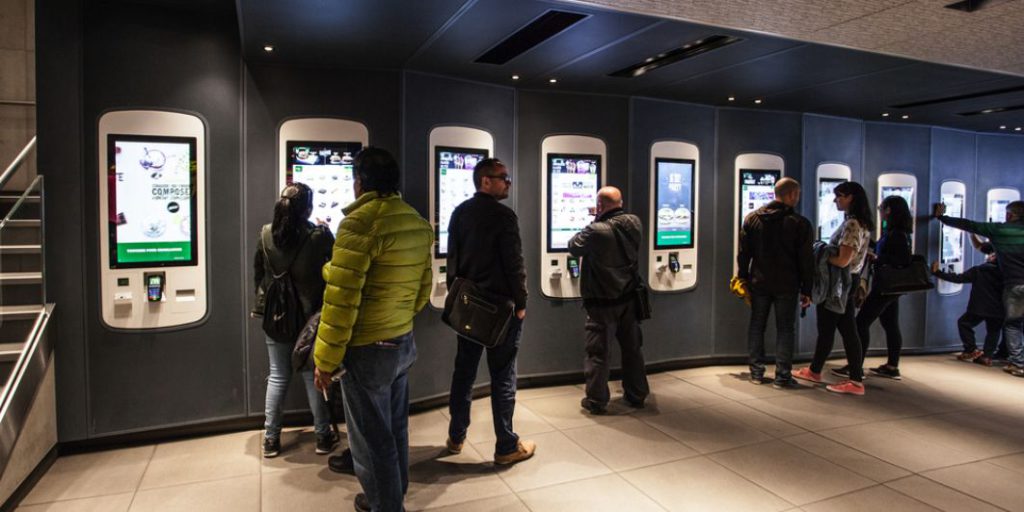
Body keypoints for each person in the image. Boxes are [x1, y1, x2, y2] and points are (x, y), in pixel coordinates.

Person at [313, 148, 433, 512]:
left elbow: (341, 302)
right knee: (395, 428)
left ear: (360, 183)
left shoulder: (359, 223)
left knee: (370, 439)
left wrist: (325, 361)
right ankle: (391, 494)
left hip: (367, 349)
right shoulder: (415, 221)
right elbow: (422, 292)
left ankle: (386, 504)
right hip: (402, 342)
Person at [445, 158, 535, 465]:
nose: (508, 182)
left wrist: (457, 298)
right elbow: (514, 264)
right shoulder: (504, 216)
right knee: (503, 375)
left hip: (468, 307)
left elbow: (453, 261)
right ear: (485, 181)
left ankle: (456, 436)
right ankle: (506, 446)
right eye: (503, 178)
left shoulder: (460, 212)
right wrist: (521, 303)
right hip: (501, 310)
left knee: (463, 372)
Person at [254, 183, 337, 458]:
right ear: (308, 209)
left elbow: (259, 275)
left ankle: (270, 439)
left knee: (278, 375)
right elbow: (335, 266)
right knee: (312, 375)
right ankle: (323, 437)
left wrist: (263, 307)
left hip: (277, 317)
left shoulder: (266, 234)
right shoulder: (318, 235)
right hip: (309, 319)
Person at [569, 186, 650, 413]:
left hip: (602, 302)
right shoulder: (634, 222)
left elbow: (574, 246)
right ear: (620, 203)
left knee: (598, 353)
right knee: (633, 350)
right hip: (629, 300)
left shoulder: (596, 230)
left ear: (600, 205)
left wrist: (596, 218)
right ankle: (637, 394)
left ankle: (596, 400)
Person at [793, 181, 874, 395]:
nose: (836, 200)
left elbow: (842, 260)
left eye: (840, 196)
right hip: (848, 282)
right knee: (838, 329)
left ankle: (853, 380)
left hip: (839, 283)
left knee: (838, 329)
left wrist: (820, 254)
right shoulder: (861, 223)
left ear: (851, 198)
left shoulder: (852, 224)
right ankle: (818, 371)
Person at [736, 177, 814, 388]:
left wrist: (743, 277)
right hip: (787, 285)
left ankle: (756, 373)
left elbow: (744, 253)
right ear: (792, 194)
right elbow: (806, 260)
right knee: (785, 329)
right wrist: (807, 289)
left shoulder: (752, 219)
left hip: (759, 282)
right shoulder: (800, 224)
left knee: (757, 326)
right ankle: (782, 376)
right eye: (797, 194)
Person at [933, 200, 1024, 377]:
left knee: (1013, 324)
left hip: (1015, 285)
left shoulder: (1000, 230)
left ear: (1009, 215)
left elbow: (970, 225)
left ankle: (1018, 363)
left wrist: (942, 218)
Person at [853, 195, 914, 380]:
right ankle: (892, 366)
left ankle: (855, 367)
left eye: (881, 207)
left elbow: (903, 259)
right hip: (892, 288)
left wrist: (878, 258)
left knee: (861, 323)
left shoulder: (897, 234)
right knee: (890, 324)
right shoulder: (897, 231)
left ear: (888, 210)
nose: (879, 211)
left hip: (885, 287)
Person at [932, 244, 1004, 366]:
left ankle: (971, 349)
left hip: (979, 307)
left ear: (992, 258)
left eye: (991, 255)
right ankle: (987, 357)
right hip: (998, 309)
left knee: (964, 323)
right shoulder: (1006, 273)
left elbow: (958, 278)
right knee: (993, 331)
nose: (989, 256)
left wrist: (938, 273)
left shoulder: (979, 270)